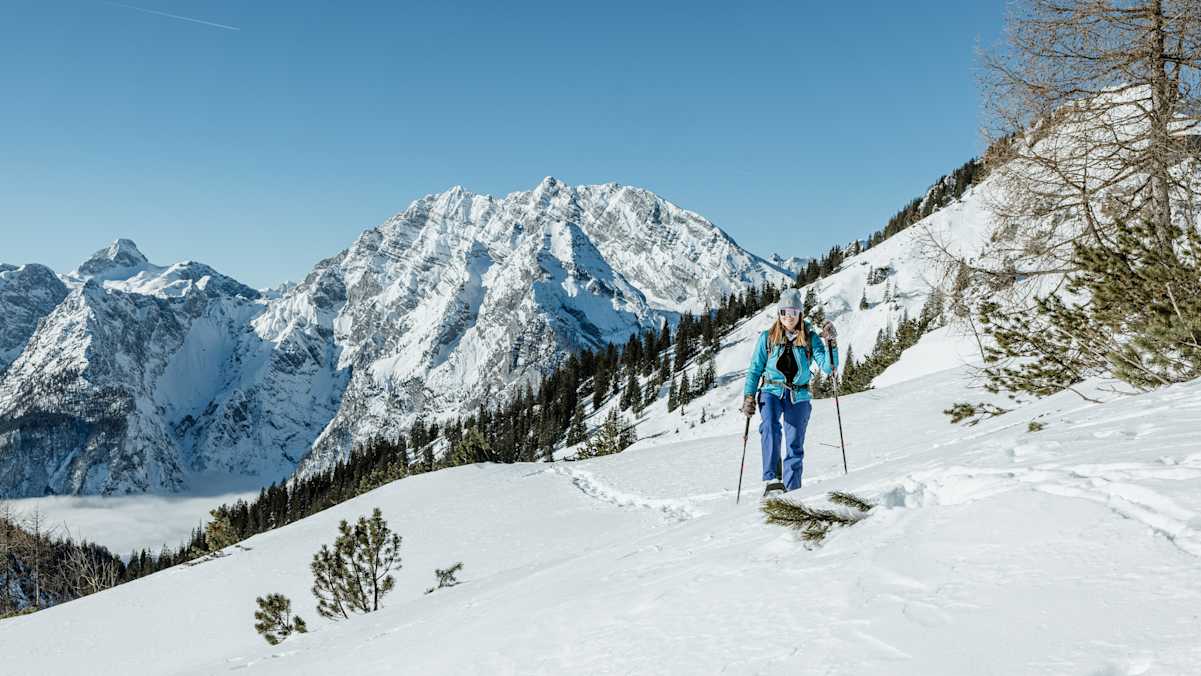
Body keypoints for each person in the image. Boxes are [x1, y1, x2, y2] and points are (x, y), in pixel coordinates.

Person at [740, 288, 838, 496]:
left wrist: (832, 343)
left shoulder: (811, 339)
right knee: (770, 427)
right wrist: (749, 397)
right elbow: (755, 369)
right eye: (784, 312)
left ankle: (793, 490)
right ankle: (773, 480)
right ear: (779, 313)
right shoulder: (767, 338)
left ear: (800, 314)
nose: (789, 317)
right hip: (771, 391)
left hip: (799, 395)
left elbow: (829, 368)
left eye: (793, 312)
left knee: (794, 443)